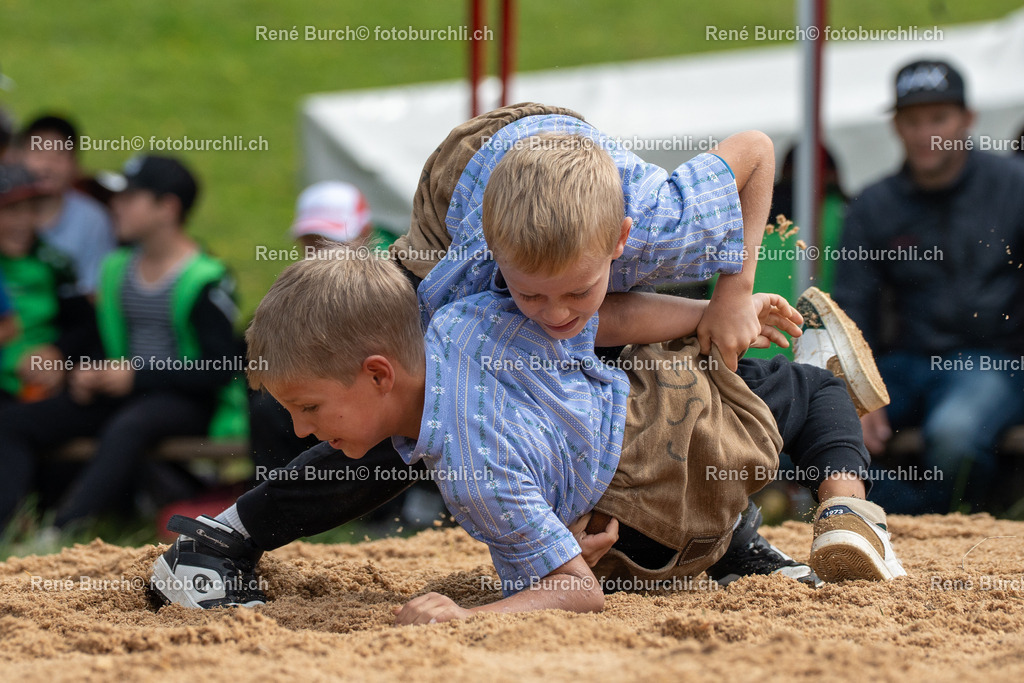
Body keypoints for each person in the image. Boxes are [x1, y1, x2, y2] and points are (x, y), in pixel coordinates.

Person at [151, 118, 904, 614]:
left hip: (527, 189)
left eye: (572, 288)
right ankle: (226, 536)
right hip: (464, 191)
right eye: (529, 291)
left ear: (621, 242)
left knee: (459, 391)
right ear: (500, 261)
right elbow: (582, 315)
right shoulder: (469, 297)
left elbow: (756, 152)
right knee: (405, 400)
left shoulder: (656, 217)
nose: (550, 312)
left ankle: (735, 530)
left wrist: (730, 295)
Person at [0, 155, 239, 528]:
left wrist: (137, 376)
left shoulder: (206, 278)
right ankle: (10, 529)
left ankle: (64, 529)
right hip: (120, 391)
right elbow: (101, 336)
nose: (115, 206)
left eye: (129, 198)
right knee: (14, 421)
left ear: (167, 208)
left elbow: (221, 367)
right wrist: (86, 371)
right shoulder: (115, 269)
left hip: (186, 402)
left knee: (130, 425)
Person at [833, 59, 1024, 514]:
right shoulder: (873, 206)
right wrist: (858, 390)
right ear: (896, 126)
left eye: (938, 118)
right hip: (902, 365)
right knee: (814, 425)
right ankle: (917, 519)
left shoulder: (1014, 188)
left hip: (996, 362)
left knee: (955, 433)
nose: (925, 133)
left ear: (968, 119)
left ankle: (945, 525)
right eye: (912, 120)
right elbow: (849, 308)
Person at [0, 163, 98, 405]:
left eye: (31, 210)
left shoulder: (53, 263)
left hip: (42, 387)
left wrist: (57, 354)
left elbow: (85, 325)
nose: (23, 222)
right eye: (11, 210)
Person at [16, 114, 116, 296]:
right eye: (38, 152)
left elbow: (95, 292)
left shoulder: (92, 220)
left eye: (58, 155)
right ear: (19, 156)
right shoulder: (4, 212)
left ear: (75, 164)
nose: (47, 165)